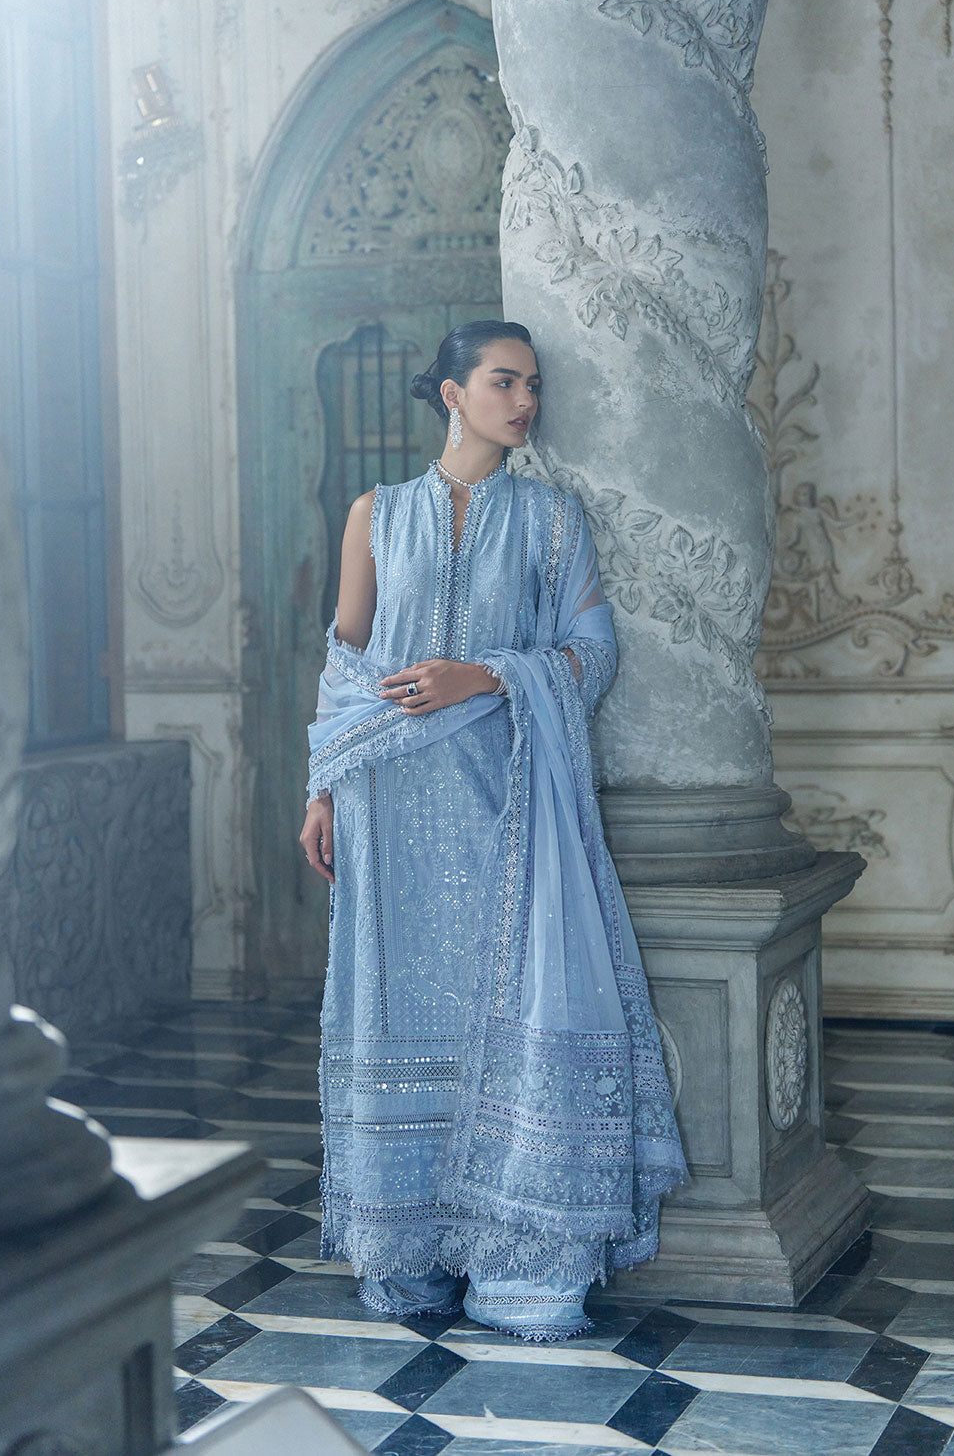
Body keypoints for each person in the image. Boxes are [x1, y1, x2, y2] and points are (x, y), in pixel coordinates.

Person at [299, 320, 687, 1341]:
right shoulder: (377, 514)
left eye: (533, 385)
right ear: (452, 394)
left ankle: (521, 1262)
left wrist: (483, 676)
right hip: (388, 800)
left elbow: (591, 653)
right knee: (401, 1009)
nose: (524, 402)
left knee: (509, 997)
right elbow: (346, 660)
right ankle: (413, 1253)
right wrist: (322, 787)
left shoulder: (552, 521)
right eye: (504, 382)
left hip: (507, 795)